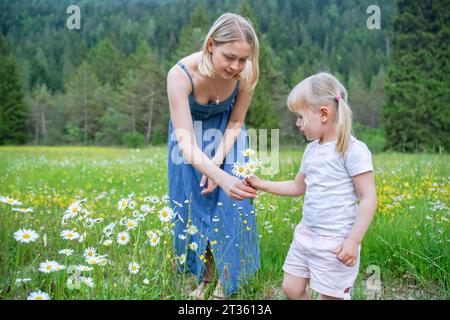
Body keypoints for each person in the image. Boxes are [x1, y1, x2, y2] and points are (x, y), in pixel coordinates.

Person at [247, 72, 378, 300]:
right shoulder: (312, 150)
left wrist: (353, 240)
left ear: (324, 113)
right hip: (306, 236)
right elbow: (298, 186)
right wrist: (262, 184)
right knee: (291, 288)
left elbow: (368, 198)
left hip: (336, 244)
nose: (297, 124)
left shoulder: (352, 150)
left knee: (331, 297)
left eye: (299, 117)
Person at [166, 13, 260, 299]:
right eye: (229, 57)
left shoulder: (245, 74)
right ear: (210, 46)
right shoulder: (180, 75)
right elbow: (186, 143)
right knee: (193, 202)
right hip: (190, 139)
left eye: (243, 59)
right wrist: (213, 173)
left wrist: (218, 166)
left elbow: (235, 122)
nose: (236, 66)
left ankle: (229, 279)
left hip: (228, 136)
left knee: (233, 204)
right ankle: (204, 277)